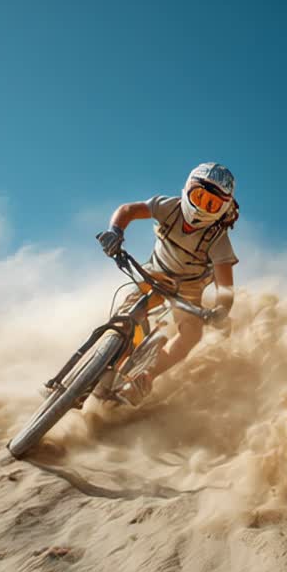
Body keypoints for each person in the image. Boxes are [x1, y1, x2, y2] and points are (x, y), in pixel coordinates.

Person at [92, 162, 239, 405]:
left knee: (191, 335)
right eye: (199, 197)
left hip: (188, 291)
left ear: (223, 208)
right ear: (187, 189)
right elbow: (128, 210)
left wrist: (221, 310)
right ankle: (106, 360)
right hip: (155, 273)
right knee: (127, 315)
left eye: (211, 204)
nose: (201, 207)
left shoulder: (219, 240)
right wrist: (115, 232)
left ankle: (145, 377)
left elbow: (225, 286)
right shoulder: (170, 207)